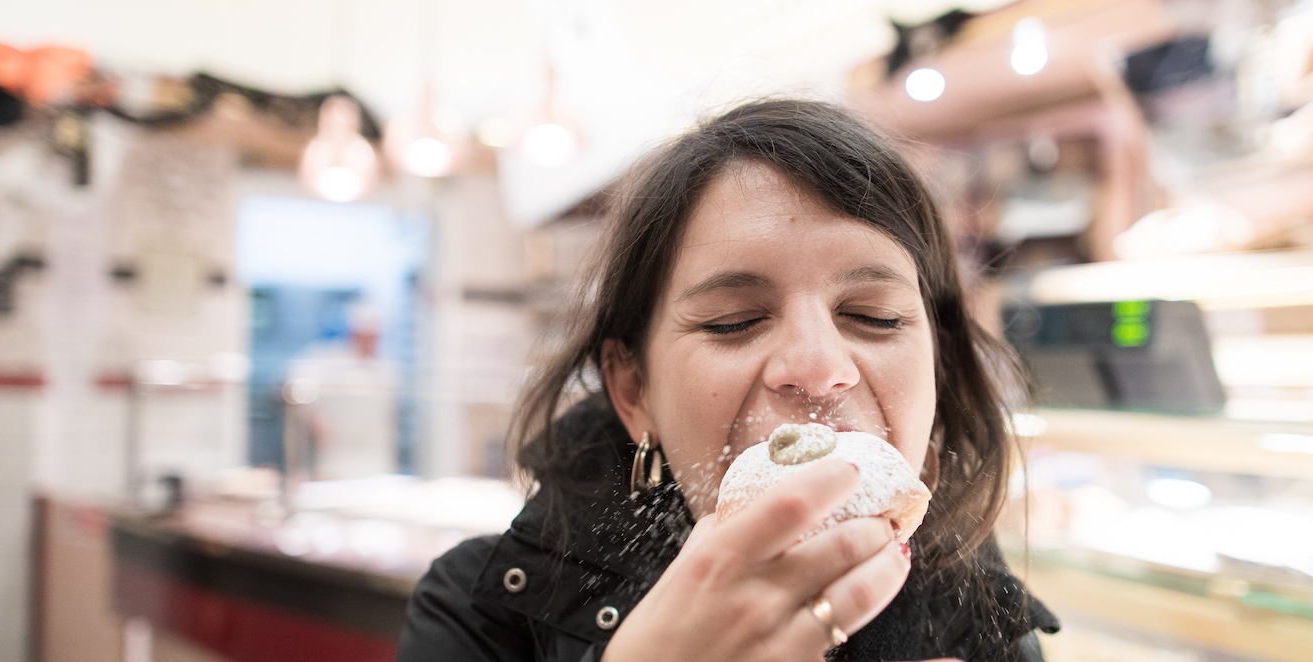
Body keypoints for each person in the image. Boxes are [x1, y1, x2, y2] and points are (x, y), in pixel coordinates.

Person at [396, 99, 1059, 662]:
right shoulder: (481, 614)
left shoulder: (989, 628)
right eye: (733, 321)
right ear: (633, 391)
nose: (818, 369)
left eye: (872, 317)